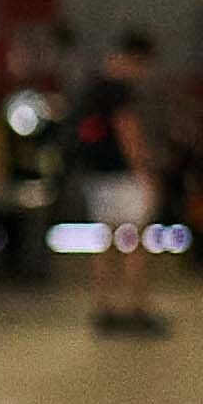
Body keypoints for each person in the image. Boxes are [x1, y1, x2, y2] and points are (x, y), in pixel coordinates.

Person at [60, 25, 176, 338]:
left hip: (95, 174)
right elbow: (128, 133)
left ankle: (103, 308)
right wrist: (145, 173)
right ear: (137, 59)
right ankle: (136, 308)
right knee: (135, 242)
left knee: (106, 240)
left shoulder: (95, 85)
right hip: (123, 176)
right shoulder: (120, 90)